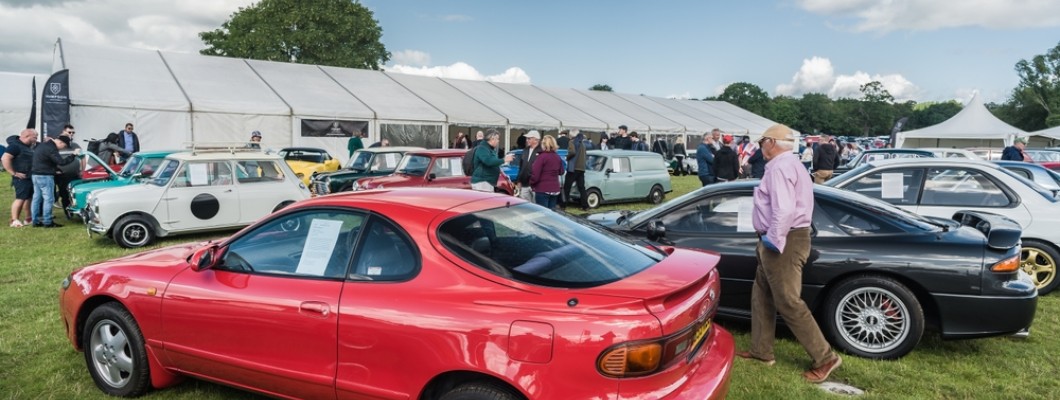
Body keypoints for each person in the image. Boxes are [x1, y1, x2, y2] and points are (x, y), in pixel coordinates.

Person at [737, 123, 841, 383]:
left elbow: (783, 210)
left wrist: (773, 240)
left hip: (783, 239)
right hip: (784, 237)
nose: (760, 147)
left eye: (762, 143)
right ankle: (762, 350)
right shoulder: (792, 164)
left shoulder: (780, 167)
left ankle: (825, 357)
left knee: (787, 300)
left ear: (771, 142)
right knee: (761, 295)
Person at [31, 134, 78, 228]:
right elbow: (61, 162)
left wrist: (56, 169)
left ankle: (35, 221)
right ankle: (48, 222)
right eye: (64, 146)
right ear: (60, 142)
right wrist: (73, 155)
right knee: (49, 199)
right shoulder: (51, 148)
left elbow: (45, 160)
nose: (62, 149)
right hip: (45, 176)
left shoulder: (43, 145)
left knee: (37, 198)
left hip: (35, 175)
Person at [3, 129, 37, 227]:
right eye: (35, 137)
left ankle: (28, 218)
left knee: (28, 198)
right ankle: (14, 220)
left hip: (29, 176)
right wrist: (13, 173)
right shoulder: (15, 146)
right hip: (20, 178)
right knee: (20, 198)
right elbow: (5, 158)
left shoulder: (27, 147)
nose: (36, 139)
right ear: (27, 136)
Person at [530, 135, 564, 210]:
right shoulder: (557, 157)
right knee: (551, 214)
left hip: (543, 188)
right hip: (555, 189)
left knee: (542, 213)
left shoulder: (541, 157)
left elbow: (535, 174)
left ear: (543, 145)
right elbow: (561, 171)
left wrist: (531, 183)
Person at [56, 125, 83, 212]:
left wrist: (82, 170)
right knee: (64, 194)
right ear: (63, 132)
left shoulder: (75, 145)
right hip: (62, 175)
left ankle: (78, 210)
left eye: (73, 132)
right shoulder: (57, 146)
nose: (71, 134)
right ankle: (67, 211)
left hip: (75, 174)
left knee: (76, 193)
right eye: (69, 132)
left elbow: (83, 158)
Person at [563, 129, 591, 210]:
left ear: (571, 135)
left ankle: (564, 204)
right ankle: (585, 206)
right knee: (581, 188)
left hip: (573, 167)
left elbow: (572, 152)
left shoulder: (572, 142)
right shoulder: (582, 143)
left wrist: (567, 157)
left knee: (567, 187)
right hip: (581, 168)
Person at [515, 130, 542, 201]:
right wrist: (519, 180)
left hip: (536, 184)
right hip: (524, 183)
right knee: (525, 206)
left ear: (536, 140)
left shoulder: (542, 151)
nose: (527, 140)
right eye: (527, 138)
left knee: (536, 206)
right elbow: (521, 166)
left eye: (529, 138)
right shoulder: (525, 150)